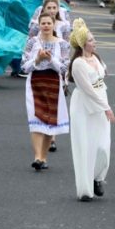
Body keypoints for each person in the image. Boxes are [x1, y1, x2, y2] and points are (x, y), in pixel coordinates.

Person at [69, 19, 115, 201]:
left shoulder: (96, 58)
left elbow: (101, 79)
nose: (94, 42)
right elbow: (87, 89)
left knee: (103, 146)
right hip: (84, 106)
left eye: (93, 39)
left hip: (101, 101)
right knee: (85, 146)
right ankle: (85, 188)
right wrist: (106, 108)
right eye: (90, 40)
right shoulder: (78, 64)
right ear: (82, 44)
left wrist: (104, 104)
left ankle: (98, 177)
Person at [21, 13, 71, 171]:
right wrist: (37, 60)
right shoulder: (32, 42)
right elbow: (24, 66)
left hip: (53, 83)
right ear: (39, 25)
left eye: (49, 23)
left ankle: (43, 156)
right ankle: (37, 157)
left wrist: (49, 59)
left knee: (50, 121)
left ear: (53, 25)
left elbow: (64, 68)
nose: (46, 26)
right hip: (35, 82)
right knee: (35, 119)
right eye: (43, 23)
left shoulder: (62, 44)